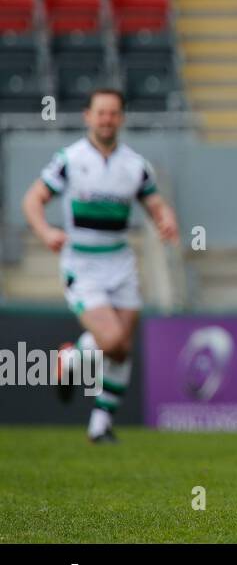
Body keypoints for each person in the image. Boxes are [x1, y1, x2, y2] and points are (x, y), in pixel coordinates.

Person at [21, 88, 179, 443]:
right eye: (101, 113)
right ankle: (71, 359)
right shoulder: (70, 159)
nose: (107, 119)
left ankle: (100, 425)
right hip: (83, 266)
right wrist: (45, 231)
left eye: (113, 113)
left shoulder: (135, 166)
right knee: (110, 339)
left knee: (122, 348)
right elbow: (33, 198)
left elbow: (156, 205)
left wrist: (166, 221)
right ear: (88, 116)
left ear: (121, 118)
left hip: (120, 264)